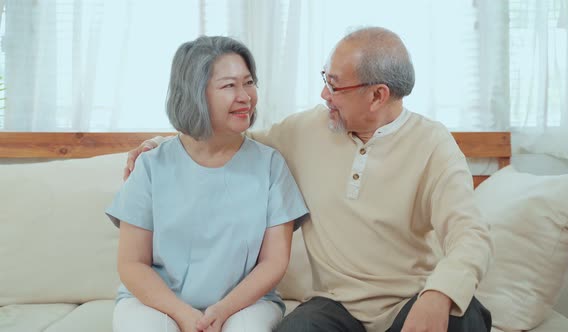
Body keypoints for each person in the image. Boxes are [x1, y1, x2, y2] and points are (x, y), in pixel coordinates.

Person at [125, 27, 493, 332]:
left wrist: (439, 294)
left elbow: (470, 234)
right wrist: (161, 145)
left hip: (409, 303)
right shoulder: (305, 130)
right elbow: (231, 141)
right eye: (325, 80)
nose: (323, 95)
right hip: (335, 308)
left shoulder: (432, 144)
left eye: (335, 85)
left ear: (377, 95)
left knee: (465, 317)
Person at [107, 36, 308, 332]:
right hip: (157, 302)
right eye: (229, 86)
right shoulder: (150, 165)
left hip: (245, 303)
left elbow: (274, 262)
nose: (245, 96)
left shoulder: (270, 166)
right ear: (195, 94)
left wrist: (222, 310)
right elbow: (132, 264)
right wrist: (184, 315)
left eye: (249, 83)